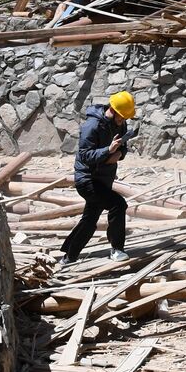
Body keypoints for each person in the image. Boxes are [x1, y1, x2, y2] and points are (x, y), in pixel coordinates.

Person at [60, 91, 136, 264]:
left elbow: (122, 146)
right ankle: (117, 249)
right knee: (118, 205)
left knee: (90, 219)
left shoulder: (120, 123)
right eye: (122, 117)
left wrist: (119, 154)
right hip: (87, 179)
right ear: (113, 110)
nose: (124, 120)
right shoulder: (91, 126)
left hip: (104, 179)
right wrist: (108, 151)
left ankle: (69, 256)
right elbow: (85, 155)